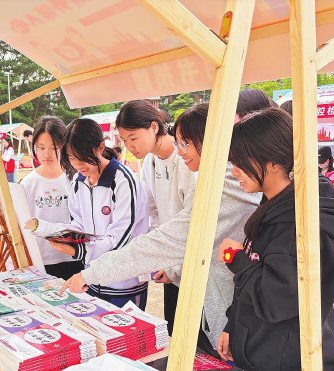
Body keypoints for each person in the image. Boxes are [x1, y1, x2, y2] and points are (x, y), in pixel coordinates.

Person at [61, 103, 261, 352]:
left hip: (219, 290)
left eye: (186, 143)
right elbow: (158, 220)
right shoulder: (162, 166)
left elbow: (172, 237)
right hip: (192, 274)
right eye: (179, 142)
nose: (181, 150)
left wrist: (92, 272)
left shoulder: (223, 181)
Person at [217, 108, 334, 371]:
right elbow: (256, 274)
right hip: (269, 361)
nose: (234, 171)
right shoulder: (275, 205)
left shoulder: (297, 222)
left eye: (240, 161)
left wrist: (235, 259)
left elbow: (275, 300)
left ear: (273, 161)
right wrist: (232, 324)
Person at [29, 118, 150, 309]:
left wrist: (81, 251)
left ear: (100, 148)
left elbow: (120, 237)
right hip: (92, 278)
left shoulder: (123, 181)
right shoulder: (79, 181)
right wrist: (60, 234)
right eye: (71, 158)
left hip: (123, 282)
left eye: (83, 157)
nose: (78, 164)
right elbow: (78, 223)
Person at [116, 99, 196, 335]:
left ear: (153, 127)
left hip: (192, 263)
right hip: (170, 265)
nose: (130, 146)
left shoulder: (186, 159)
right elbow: (153, 212)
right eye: (124, 140)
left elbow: (191, 222)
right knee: (175, 330)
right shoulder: (150, 161)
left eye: (133, 137)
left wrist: (175, 267)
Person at [20, 116, 82, 279]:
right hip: (42, 259)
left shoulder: (75, 179)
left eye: (54, 147)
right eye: (41, 148)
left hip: (73, 256)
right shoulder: (28, 183)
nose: (47, 154)